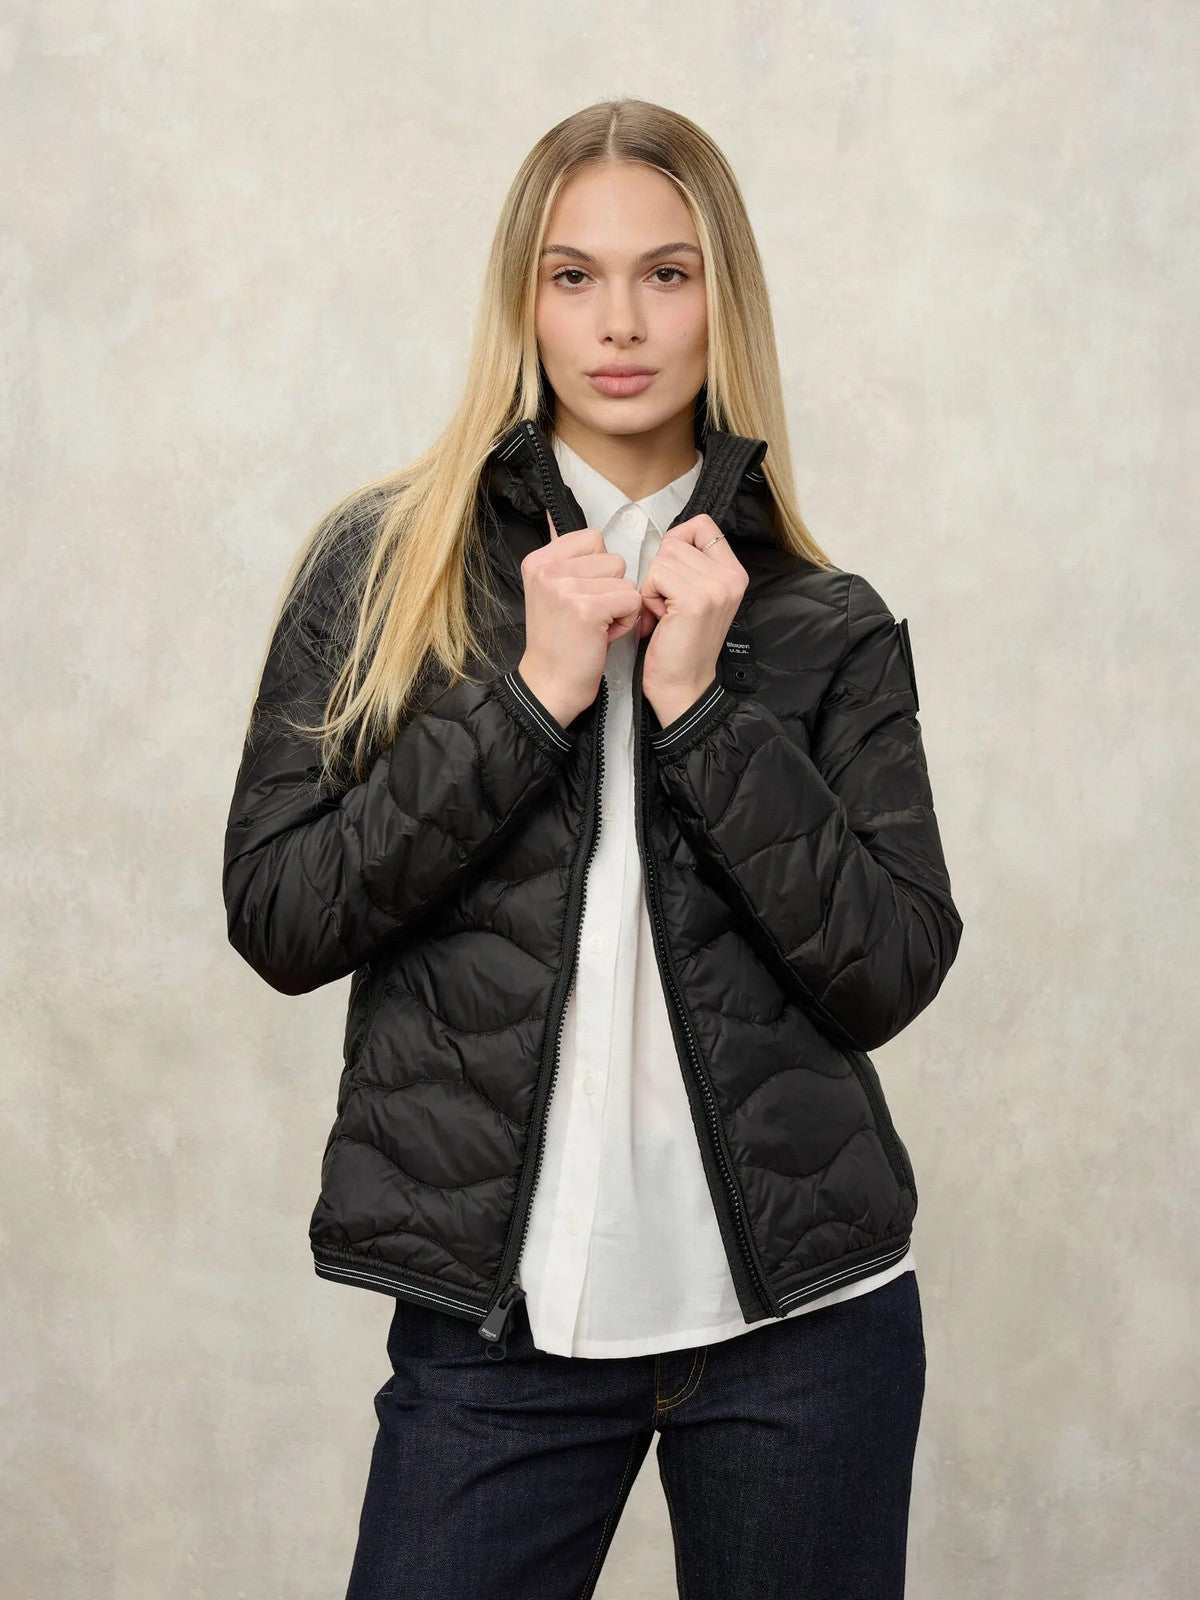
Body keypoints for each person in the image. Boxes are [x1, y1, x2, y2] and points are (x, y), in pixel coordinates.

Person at [223, 97, 963, 1600]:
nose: (619, 322)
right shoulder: (385, 570)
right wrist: (529, 700)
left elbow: (889, 969)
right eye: (574, 276)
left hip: (805, 1334)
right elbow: (283, 914)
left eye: (665, 274)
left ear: (721, 300)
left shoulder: (824, 622)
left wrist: (703, 710)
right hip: (500, 1330)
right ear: (526, 301)